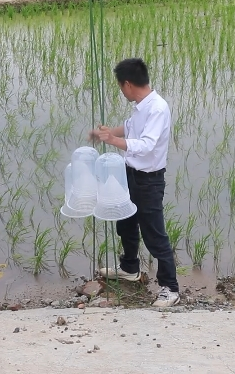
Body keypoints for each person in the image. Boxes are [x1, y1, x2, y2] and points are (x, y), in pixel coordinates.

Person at [89, 58, 180, 308]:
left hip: (148, 181)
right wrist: (106, 134)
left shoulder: (158, 108)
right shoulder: (142, 106)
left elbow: (147, 145)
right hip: (129, 175)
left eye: (120, 86)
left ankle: (170, 288)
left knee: (155, 235)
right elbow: (129, 128)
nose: (122, 91)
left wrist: (112, 142)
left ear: (128, 84)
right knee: (125, 224)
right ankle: (129, 268)